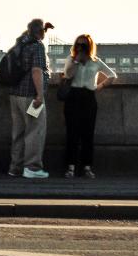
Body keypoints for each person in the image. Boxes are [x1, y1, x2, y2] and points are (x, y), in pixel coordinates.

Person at [63, 34, 117, 179]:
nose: (81, 47)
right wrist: (76, 61)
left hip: (88, 97)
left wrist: (98, 87)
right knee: (72, 134)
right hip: (73, 97)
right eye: (79, 44)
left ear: (89, 46)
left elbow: (112, 75)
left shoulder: (95, 61)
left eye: (84, 45)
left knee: (88, 134)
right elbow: (67, 75)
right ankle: (70, 167)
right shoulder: (71, 59)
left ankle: (87, 167)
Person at [8, 19, 54, 179]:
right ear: (40, 32)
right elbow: (36, 70)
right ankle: (32, 168)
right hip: (30, 96)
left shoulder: (20, 44)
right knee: (35, 131)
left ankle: (15, 167)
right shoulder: (37, 46)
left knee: (19, 132)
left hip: (15, 95)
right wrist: (40, 95)